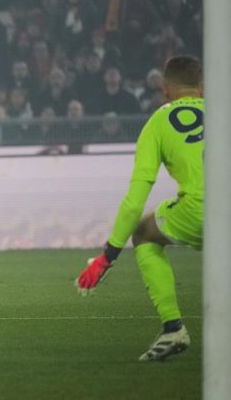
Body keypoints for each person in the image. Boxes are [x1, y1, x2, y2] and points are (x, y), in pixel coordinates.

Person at [75, 55, 203, 362]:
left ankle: (173, 327)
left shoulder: (158, 121)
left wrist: (108, 257)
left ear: (165, 90)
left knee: (144, 233)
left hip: (201, 211)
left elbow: (135, 199)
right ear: (202, 87)